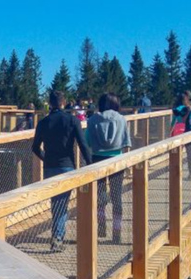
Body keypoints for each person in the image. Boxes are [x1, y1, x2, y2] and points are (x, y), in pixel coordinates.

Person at [32, 90, 93, 252]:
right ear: (63, 102)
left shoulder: (43, 123)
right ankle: (58, 237)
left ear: (50, 103)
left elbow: (35, 147)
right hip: (67, 166)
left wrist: (46, 158)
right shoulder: (72, 120)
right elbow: (82, 144)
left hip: (50, 167)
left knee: (56, 203)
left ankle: (58, 235)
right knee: (62, 203)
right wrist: (90, 163)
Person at [86, 93, 131, 243]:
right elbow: (126, 142)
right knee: (117, 196)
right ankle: (116, 232)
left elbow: (88, 141)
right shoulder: (121, 119)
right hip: (116, 160)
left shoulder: (92, 120)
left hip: (97, 159)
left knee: (99, 195)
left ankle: (101, 226)